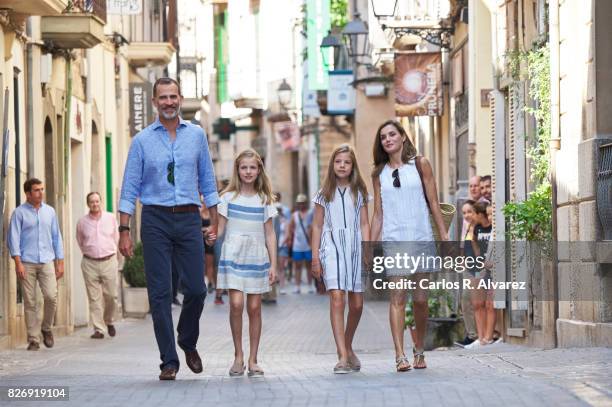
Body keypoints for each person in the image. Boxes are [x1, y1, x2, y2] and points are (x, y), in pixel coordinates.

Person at [118, 77, 219, 381]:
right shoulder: (142, 141)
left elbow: (208, 181)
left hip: (189, 218)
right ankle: (169, 361)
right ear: (154, 102)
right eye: (163, 97)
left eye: (173, 96)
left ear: (181, 98)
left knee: (198, 290)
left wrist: (214, 220)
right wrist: (124, 229)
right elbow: (129, 188)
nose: (169, 102)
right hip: (155, 220)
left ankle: (187, 340)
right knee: (160, 294)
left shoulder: (197, 136)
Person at [370, 120, 449, 372]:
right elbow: (378, 214)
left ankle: (420, 350)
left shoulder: (420, 164)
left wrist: (445, 239)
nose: (388, 139)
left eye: (392, 134)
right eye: (383, 137)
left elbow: (434, 204)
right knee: (397, 297)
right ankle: (399, 355)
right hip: (394, 241)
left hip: (421, 238)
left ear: (403, 137)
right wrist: (369, 247)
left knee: (421, 300)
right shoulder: (378, 173)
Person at [216, 149, 277, 377]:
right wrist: (209, 234)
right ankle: (238, 356)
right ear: (237, 170)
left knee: (254, 307)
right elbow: (220, 229)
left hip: (256, 256)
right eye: (244, 167)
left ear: (259, 169)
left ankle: (253, 359)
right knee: (236, 304)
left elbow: (270, 234)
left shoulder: (265, 199)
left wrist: (274, 265)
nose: (248, 171)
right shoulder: (227, 198)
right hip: (233, 254)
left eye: (252, 167)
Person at [311, 144, 370, 374]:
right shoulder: (323, 193)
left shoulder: (360, 192)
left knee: (357, 305)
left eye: (346, 162)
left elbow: (365, 223)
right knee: (337, 297)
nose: (342, 165)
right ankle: (343, 356)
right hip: (332, 245)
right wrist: (315, 257)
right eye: (338, 162)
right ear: (332, 165)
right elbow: (316, 226)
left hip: (355, 246)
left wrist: (367, 250)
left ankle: (347, 344)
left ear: (352, 165)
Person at [8, 178, 64, 350]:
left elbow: (56, 237)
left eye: (42, 189)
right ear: (28, 193)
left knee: (51, 296)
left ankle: (46, 328)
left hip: (47, 260)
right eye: (36, 190)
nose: (41, 193)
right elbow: (13, 239)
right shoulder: (19, 213)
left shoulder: (50, 212)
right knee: (30, 301)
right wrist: (18, 263)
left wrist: (59, 261)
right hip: (27, 262)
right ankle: (33, 339)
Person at [76, 192, 120, 339]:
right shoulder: (82, 222)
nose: (95, 204)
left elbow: (116, 238)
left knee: (111, 296)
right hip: (90, 262)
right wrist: (90, 252)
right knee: (94, 298)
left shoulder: (111, 218)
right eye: (91, 202)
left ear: (101, 202)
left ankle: (109, 320)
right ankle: (99, 329)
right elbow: (80, 241)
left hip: (109, 261)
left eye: (97, 201)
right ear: (88, 204)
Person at [465, 202, 499, 349]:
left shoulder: (494, 229)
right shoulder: (476, 229)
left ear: (480, 214)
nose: (471, 216)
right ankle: (481, 337)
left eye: (473, 213)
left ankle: (489, 336)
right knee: (478, 303)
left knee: (490, 303)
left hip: (493, 269)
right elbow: (476, 251)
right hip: (480, 268)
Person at [456, 200, 478, 347]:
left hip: (478, 269)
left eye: (469, 211)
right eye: (464, 213)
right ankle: (472, 334)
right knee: (465, 301)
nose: (466, 215)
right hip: (467, 268)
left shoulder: (479, 227)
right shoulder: (466, 226)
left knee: (475, 301)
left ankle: (476, 335)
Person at [286, 194, 313, 294]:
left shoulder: (310, 213)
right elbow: (290, 227)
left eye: (302, 203)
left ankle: (310, 285)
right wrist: (290, 238)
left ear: (305, 204)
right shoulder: (295, 215)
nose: (301, 205)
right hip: (297, 245)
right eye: (299, 203)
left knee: (309, 265)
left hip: (308, 244)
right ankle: (297, 286)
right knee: (297, 266)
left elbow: (313, 227)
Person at [201, 204, 223, 304]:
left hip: (211, 240)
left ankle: (210, 283)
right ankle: (205, 282)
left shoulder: (214, 214)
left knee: (212, 264)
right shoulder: (199, 212)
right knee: (202, 263)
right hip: (201, 240)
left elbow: (218, 227)